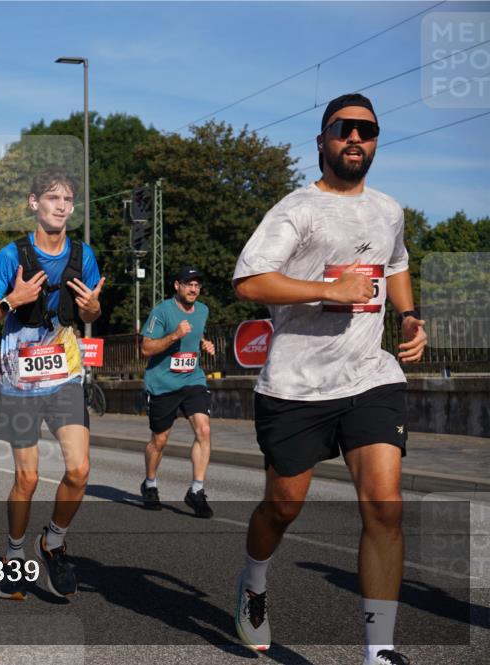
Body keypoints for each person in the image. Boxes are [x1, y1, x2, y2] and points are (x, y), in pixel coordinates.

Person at [231, 93, 426, 665]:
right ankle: (254, 581)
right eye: (345, 129)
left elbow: (396, 264)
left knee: (384, 507)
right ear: (322, 140)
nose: (356, 139)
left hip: (369, 376)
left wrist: (409, 316)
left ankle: (379, 650)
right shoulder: (297, 210)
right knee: (283, 507)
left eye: (368, 130)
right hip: (296, 384)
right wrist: (327, 289)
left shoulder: (388, 211)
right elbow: (249, 282)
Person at [0, 168, 104, 601]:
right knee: (27, 479)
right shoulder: (11, 256)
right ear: (34, 203)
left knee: (80, 469)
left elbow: (88, 313)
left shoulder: (82, 254)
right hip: (20, 381)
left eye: (68, 199)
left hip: (64, 374)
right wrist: (14, 300)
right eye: (52, 198)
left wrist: (91, 310)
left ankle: (52, 540)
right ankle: (12, 557)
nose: (62, 205)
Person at [139, 265, 216, 517]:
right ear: (177, 286)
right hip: (163, 384)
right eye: (188, 283)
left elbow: (196, 334)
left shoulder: (202, 310)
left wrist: (204, 343)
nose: (193, 288)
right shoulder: (162, 312)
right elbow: (146, 348)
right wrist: (174, 335)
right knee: (159, 440)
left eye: (197, 284)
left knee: (203, 430)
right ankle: (150, 484)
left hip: (192, 380)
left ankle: (196, 491)